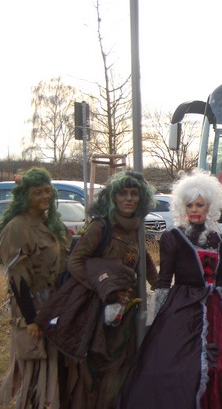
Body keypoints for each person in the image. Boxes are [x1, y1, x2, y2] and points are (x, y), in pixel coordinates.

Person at [118, 169, 222, 408]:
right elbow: (164, 279)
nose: (194, 209)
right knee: (175, 367)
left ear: (209, 207)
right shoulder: (172, 237)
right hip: (182, 307)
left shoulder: (217, 238)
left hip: (215, 307)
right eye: (189, 205)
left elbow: (221, 277)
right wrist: (155, 318)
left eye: (199, 205)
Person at [64, 170, 159, 409]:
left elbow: (144, 259)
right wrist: (104, 289)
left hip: (126, 312)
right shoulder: (100, 226)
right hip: (97, 310)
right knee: (97, 367)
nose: (129, 198)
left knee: (122, 365)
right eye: (122, 193)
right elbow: (75, 262)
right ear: (112, 197)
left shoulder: (137, 227)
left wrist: (161, 288)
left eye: (134, 193)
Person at [0, 167, 71, 408]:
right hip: (33, 308)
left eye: (48, 190)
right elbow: (17, 279)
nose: (45, 196)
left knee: (53, 364)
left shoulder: (48, 224)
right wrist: (31, 319)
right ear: (24, 195)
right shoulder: (17, 228)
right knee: (34, 368)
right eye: (37, 192)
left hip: (53, 305)